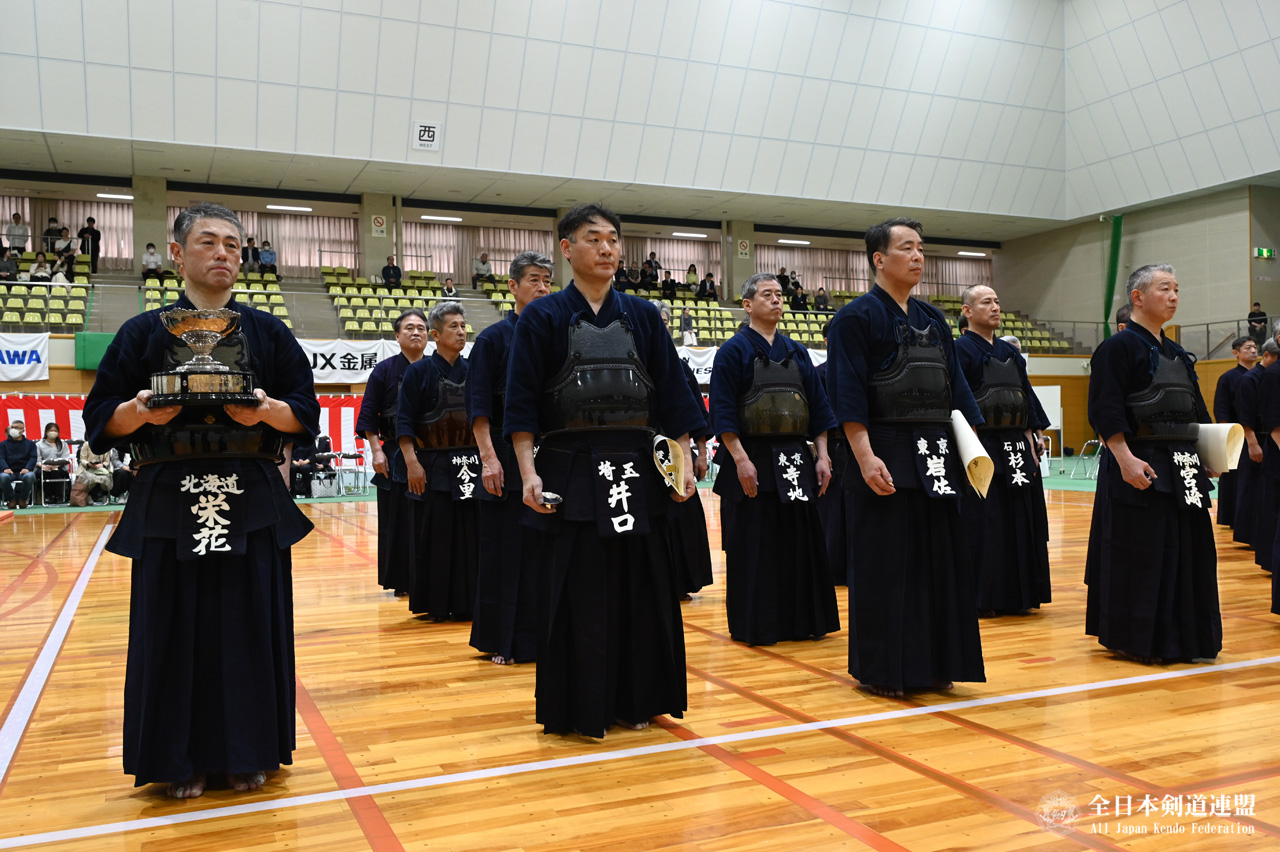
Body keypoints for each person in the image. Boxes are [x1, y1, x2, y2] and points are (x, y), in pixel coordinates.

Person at [81, 201, 320, 798]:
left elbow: (304, 413)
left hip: (250, 495)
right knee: (171, 626)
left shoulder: (268, 332)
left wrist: (265, 411)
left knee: (249, 625)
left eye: (232, 245)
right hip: (169, 497)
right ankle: (176, 758)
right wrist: (137, 412)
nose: (222, 254)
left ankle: (248, 751)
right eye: (208, 242)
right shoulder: (141, 332)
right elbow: (100, 419)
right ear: (177, 254)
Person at [504, 204, 704, 737]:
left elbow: (674, 396)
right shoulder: (542, 318)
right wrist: (528, 472)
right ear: (567, 249)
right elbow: (521, 404)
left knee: (644, 589)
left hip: (639, 466)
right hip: (570, 469)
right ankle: (581, 705)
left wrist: (683, 462)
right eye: (594, 239)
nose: (607, 249)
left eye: (613, 239)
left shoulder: (642, 315)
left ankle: (641, 698)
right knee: (579, 591)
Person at [825, 217, 986, 697]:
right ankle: (885, 670)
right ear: (879, 259)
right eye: (907, 248)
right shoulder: (854, 319)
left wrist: (973, 452)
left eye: (921, 248)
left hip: (937, 458)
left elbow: (957, 392)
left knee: (941, 565)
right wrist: (864, 457)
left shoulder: (934, 319)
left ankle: (937, 664)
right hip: (886, 452)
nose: (918, 256)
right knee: (887, 567)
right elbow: (848, 395)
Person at [1083, 264, 1220, 665]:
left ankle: (1186, 638)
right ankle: (1136, 638)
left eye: (1177, 289)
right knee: (1140, 554)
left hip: (1183, 467)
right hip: (1140, 463)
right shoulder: (1117, 347)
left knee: (1190, 552)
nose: (1174, 296)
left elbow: (1197, 410)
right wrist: (1124, 458)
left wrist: (1209, 454)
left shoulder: (1176, 352)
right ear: (1138, 297)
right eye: (1164, 289)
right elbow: (1105, 408)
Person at [711, 273, 839, 645]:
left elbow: (819, 410)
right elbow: (723, 413)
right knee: (755, 546)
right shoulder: (732, 351)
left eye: (780, 294)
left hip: (796, 458)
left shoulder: (797, 351)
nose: (777, 300)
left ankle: (801, 622)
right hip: (753, 458)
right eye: (767, 294)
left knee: (799, 546)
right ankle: (759, 625)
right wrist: (740, 460)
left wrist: (822, 456)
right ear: (747, 304)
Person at [467, 251, 553, 665]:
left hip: (550, 454)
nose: (543, 288)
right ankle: (507, 640)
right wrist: (489, 459)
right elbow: (479, 407)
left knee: (547, 550)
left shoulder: (557, 334)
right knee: (507, 550)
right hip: (504, 456)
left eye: (547, 281)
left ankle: (551, 636)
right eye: (534, 280)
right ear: (513, 286)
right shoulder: (493, 339)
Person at [957, 285, 1053, 616]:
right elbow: (957, 403)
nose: (995, 307)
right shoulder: (959, 351)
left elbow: (1025, 397)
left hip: (1015, 445)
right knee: (986, 521)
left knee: (1020, 520)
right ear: (968, 311)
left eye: (997, 301)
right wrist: (968, 450)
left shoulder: (1011, 353)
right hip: (981, 444)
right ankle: (984, 598)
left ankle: (1019, 595)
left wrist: (1034, 436)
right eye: (987, 302)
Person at [395, 301, 480, 621]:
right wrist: (412, 463)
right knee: (437, 536)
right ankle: (437, 604)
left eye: (463, 326)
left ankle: (469, 603)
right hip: (432, 465)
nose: (461, 332)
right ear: (435, 334)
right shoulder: (418, 372)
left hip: (470, 464)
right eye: (453, 326)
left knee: (471, 535)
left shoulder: (474, 370)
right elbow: (404, 422)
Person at [357, 308, 428, 596]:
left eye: (421, 328)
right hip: (393, 456)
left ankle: (428, 579)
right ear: (397, 336)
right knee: (397, 519)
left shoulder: (434, 367)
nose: (416, 332)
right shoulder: (384, 370)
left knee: (428, 517)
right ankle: (402, 580)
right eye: (409, 328)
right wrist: (377, 451)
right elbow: (367, 416)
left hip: (430, 454)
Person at [657, 304, 714, 600]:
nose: (662, 326)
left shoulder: (680, 366)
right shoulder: (632, 363)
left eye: (665, 321)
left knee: (683, 518)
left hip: (678, 455)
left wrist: (701, 454)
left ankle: (682, 581)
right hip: (642, 453)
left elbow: (696, 415)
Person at [1233, 338, 1274, 556]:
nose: (1253, 351)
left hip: (1266, 438)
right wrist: (1252, 443)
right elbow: (1245, 415)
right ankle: (1248, 535)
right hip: (1253, 439)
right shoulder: (1248, 379)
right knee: (1250, 487)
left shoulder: (1268, 376)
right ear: (1267, 356)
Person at [1213, 336, 1256, 529]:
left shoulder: (1260, 375)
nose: (1253, 351)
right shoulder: (1228, 378)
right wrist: (1227, 435)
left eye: (1255, 347)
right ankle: (1233, 518)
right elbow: (1221, 409)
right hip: (1235, 434)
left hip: (1255, 433)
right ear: (1236, 353)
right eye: (1248, 348)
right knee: (1235, 477)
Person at [0, 421, 37, 509]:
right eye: (12, 427)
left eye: (16, 428)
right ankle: (11, 499)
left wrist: (27, 468)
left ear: (22, 431)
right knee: (3, 477)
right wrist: (5, 468)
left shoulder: (30, 444)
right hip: (9, 471)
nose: (13, 429)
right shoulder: (3, 444)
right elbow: (1, 457)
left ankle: (22, 499)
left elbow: (33, 457)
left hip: (24, 471)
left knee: (30, 476)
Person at [36, 422, 72, 504]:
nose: (53, 432)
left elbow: (66, 458)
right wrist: (43, 466)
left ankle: (59, 496)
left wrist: (56, 466)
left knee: (56, 473)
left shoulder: (63, 444)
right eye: (51, 430)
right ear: (46, 432)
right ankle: (49, 496)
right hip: (44, 467)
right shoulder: (39, 445)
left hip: (59, 467)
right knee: (44, 474)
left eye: (55, 431)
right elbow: (37, 460)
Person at [71, 441, 114, 506]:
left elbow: (107, 461)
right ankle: (88, 496)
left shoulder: (105, 445)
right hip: (87, 468)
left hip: (102, 468)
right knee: (87, 477)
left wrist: (102, 465)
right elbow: (82, 459)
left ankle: (105, 495)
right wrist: (89, 464)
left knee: (105, 478)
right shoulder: (86, 444)